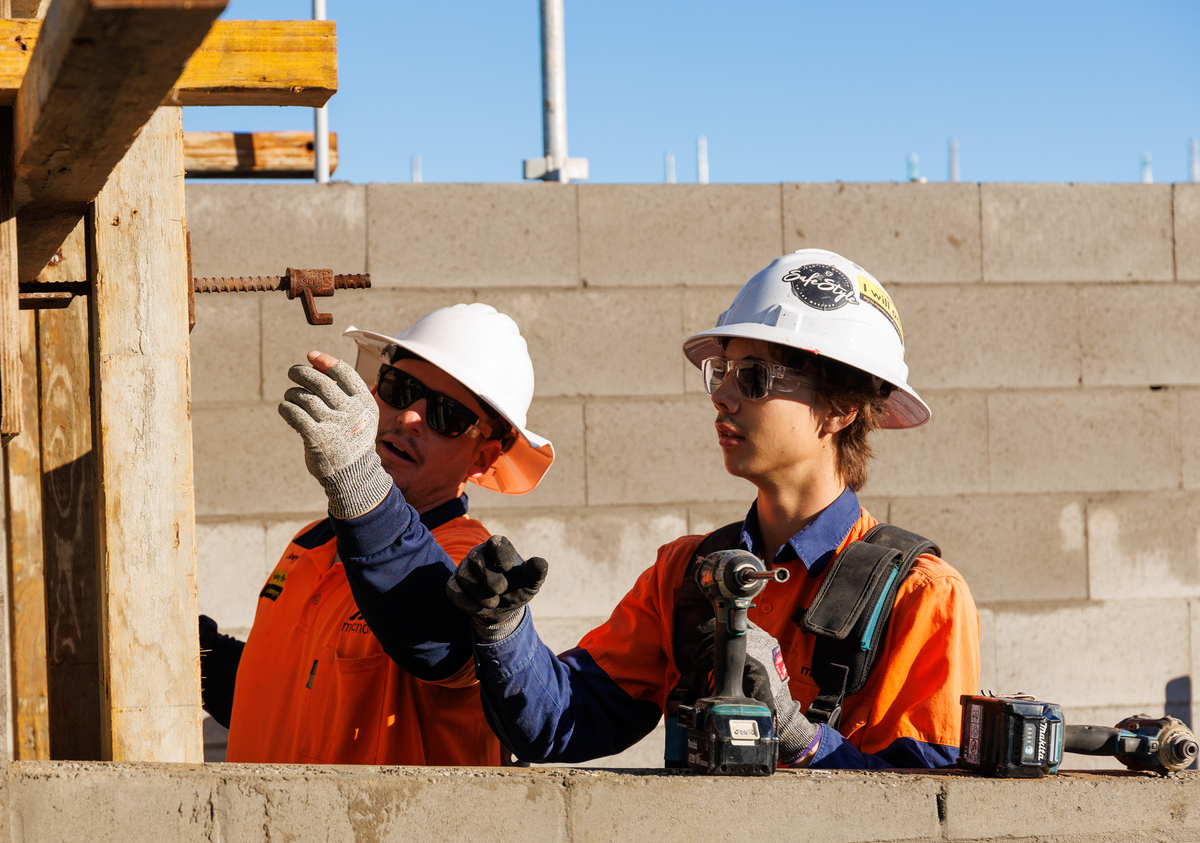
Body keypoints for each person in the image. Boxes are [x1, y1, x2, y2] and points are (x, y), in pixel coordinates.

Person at [445, 249, 980, 768]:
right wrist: (504, 631)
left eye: (754, 377)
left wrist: (798, 736)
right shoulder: (685, 574)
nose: (721, 395)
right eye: (722, 371)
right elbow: (565, 722)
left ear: (840, 408)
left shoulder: (921, 597)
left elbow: (935, 811)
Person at [201, 303, 555, 766]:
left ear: (483, 458)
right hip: (263, 835)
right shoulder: (313, 543)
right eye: (402, 388)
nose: (410, 417)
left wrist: (356, 482)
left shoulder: (467, 560)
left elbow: (438, 643)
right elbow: (275, 700)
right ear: (374, 392)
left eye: (447, 415)